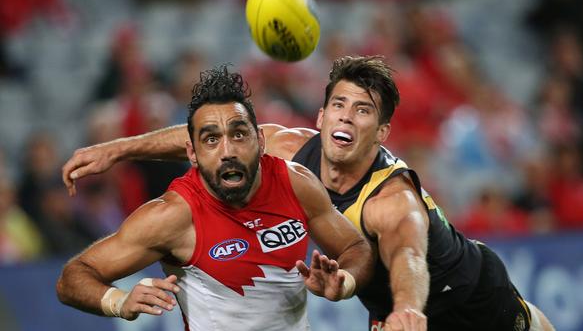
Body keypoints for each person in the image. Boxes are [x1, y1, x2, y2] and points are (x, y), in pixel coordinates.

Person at [62, 56, 555, 331]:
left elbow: (408, 257)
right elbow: (208, 136)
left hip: (464, 299)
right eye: (338, 104)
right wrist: (121, 149)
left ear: (382, 132)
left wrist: (403, 307)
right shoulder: (287, 152)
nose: (346, 115)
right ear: (319, 117)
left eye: (363, 110)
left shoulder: (391, 198)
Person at [56, 65, 374, 331]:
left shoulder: (295, 183)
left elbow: (355, 248)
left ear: (260, 140)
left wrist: (343, 282)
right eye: (211, 140)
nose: (227, 152)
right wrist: (118, 301)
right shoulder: (174, 217)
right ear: (191, 153)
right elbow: (73, 278)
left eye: (239, 134)